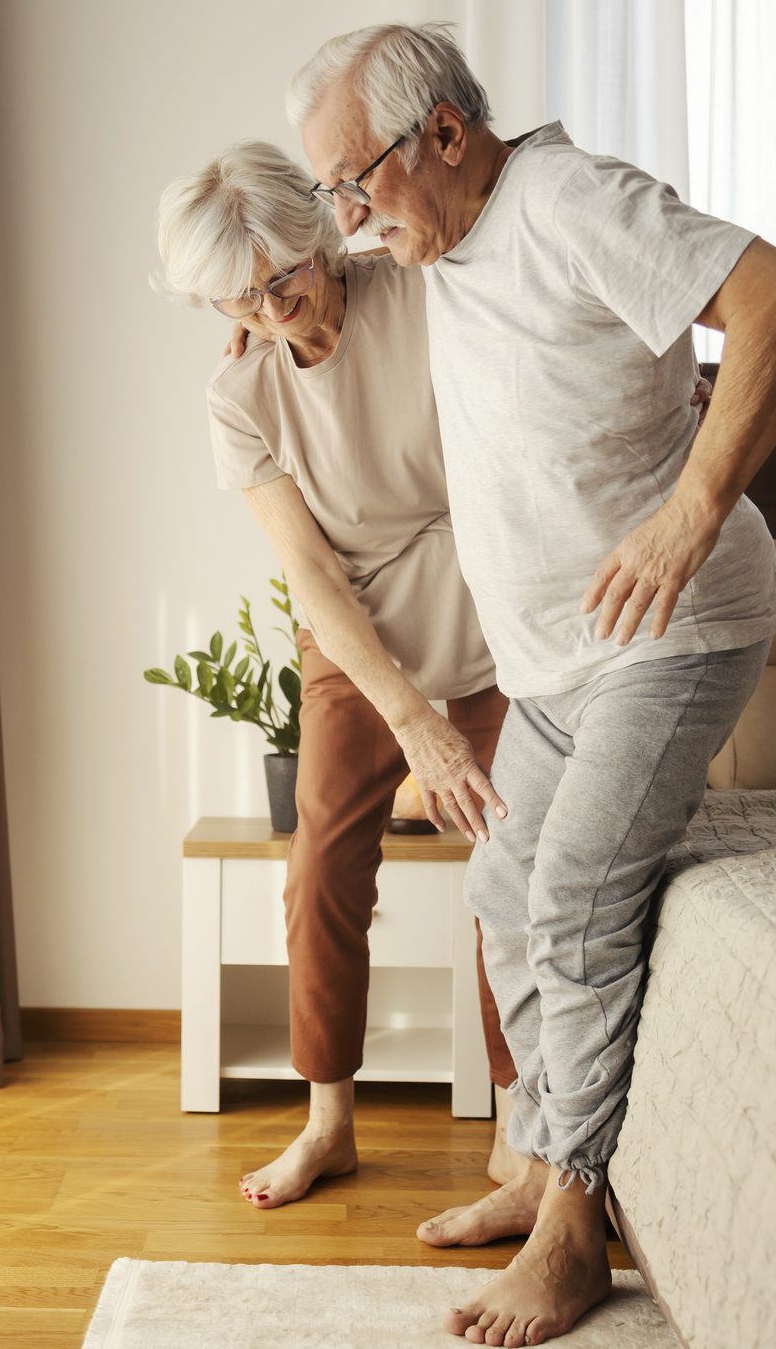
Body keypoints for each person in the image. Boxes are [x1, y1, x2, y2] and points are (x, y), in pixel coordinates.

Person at [292, 23, 776, 1346]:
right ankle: (537, 1156)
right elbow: (285, 268)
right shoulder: (427, 238)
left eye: (355, 180)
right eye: (333, 194)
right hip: (553, 671)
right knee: (499, 883)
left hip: (671, 633)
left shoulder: (570, 201)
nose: (348, 215)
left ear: (443, 137)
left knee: (578, 897)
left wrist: (691, 508)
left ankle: (576, 1222)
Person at [155, 140, 525, 1208]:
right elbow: (309, 573)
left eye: (285, 276)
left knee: (513, 859)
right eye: (241, 295)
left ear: (319, 232)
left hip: (493, 586)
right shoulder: (241, 394)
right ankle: (329, 1123)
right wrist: (410, 717)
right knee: (322, 856)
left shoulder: (420, 284)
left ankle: (520, 1113)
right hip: (356, 621)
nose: (272, 308)